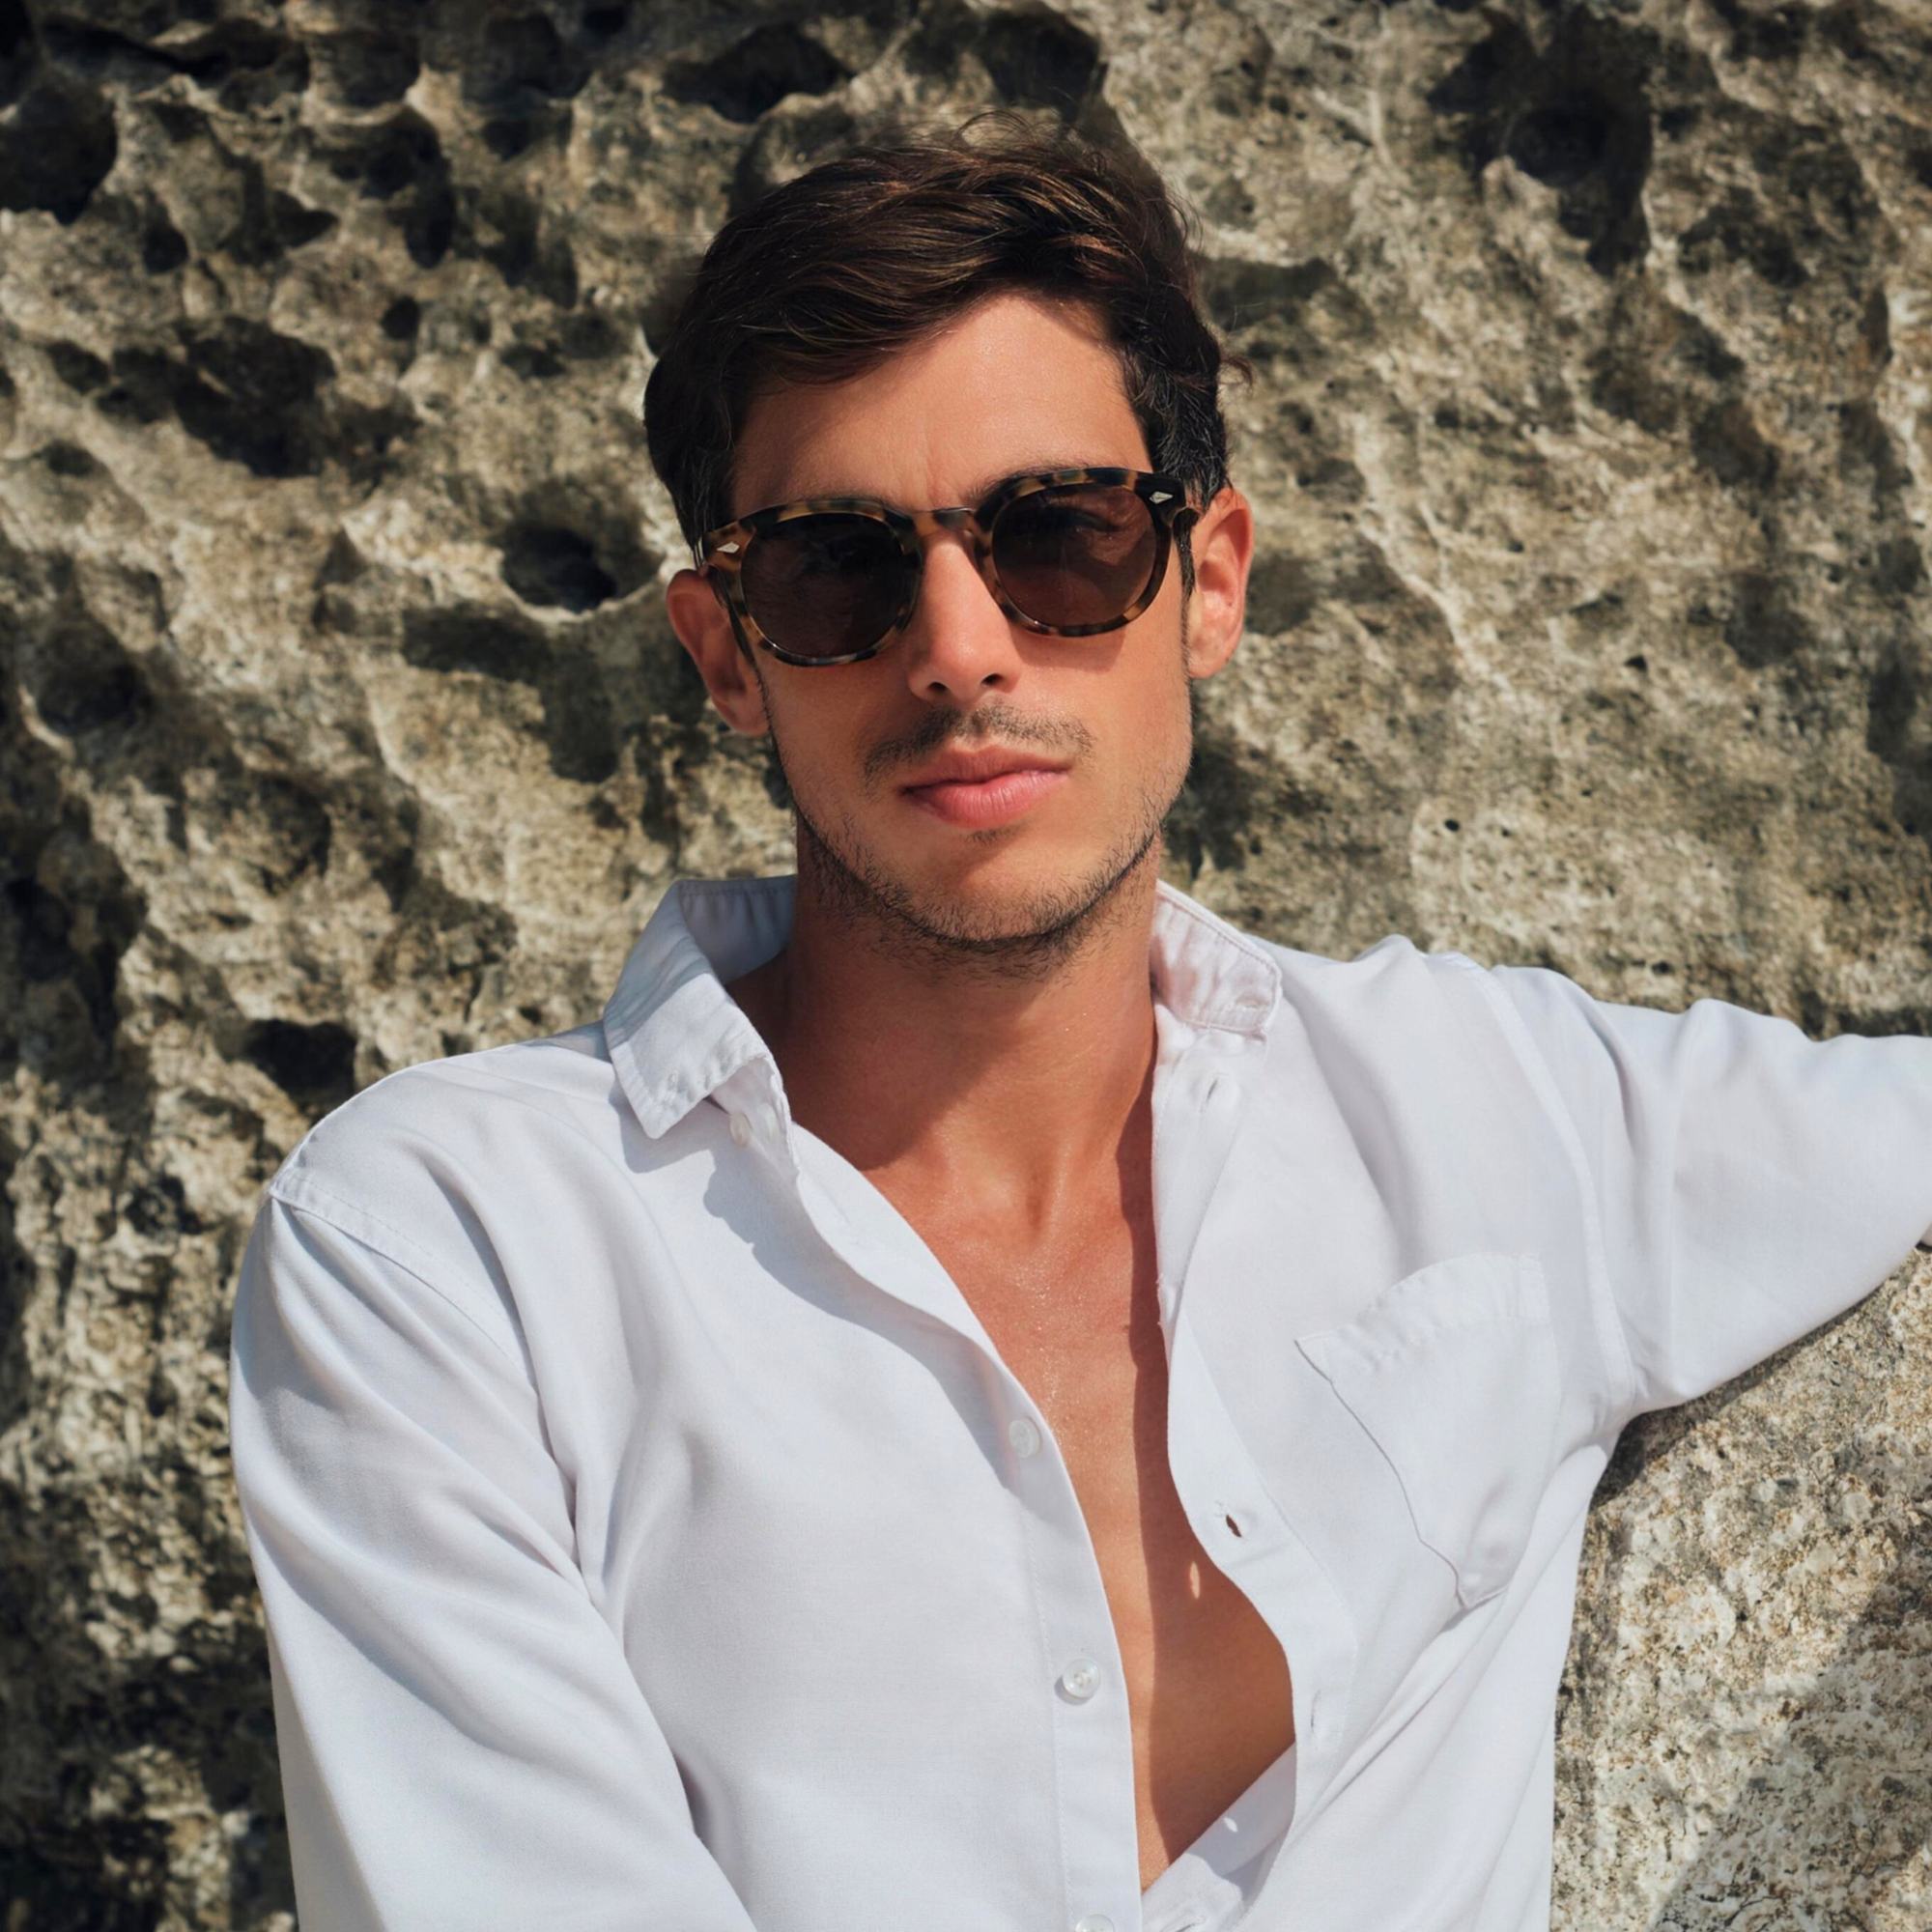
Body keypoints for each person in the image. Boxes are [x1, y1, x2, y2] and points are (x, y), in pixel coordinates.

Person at [226, 110, 1932, 1932]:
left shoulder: (1495, 1115)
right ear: (725, 653)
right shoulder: (450, 1256)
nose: (959, 648)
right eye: (837, 566)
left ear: (1207, 580)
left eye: (1057, 535)